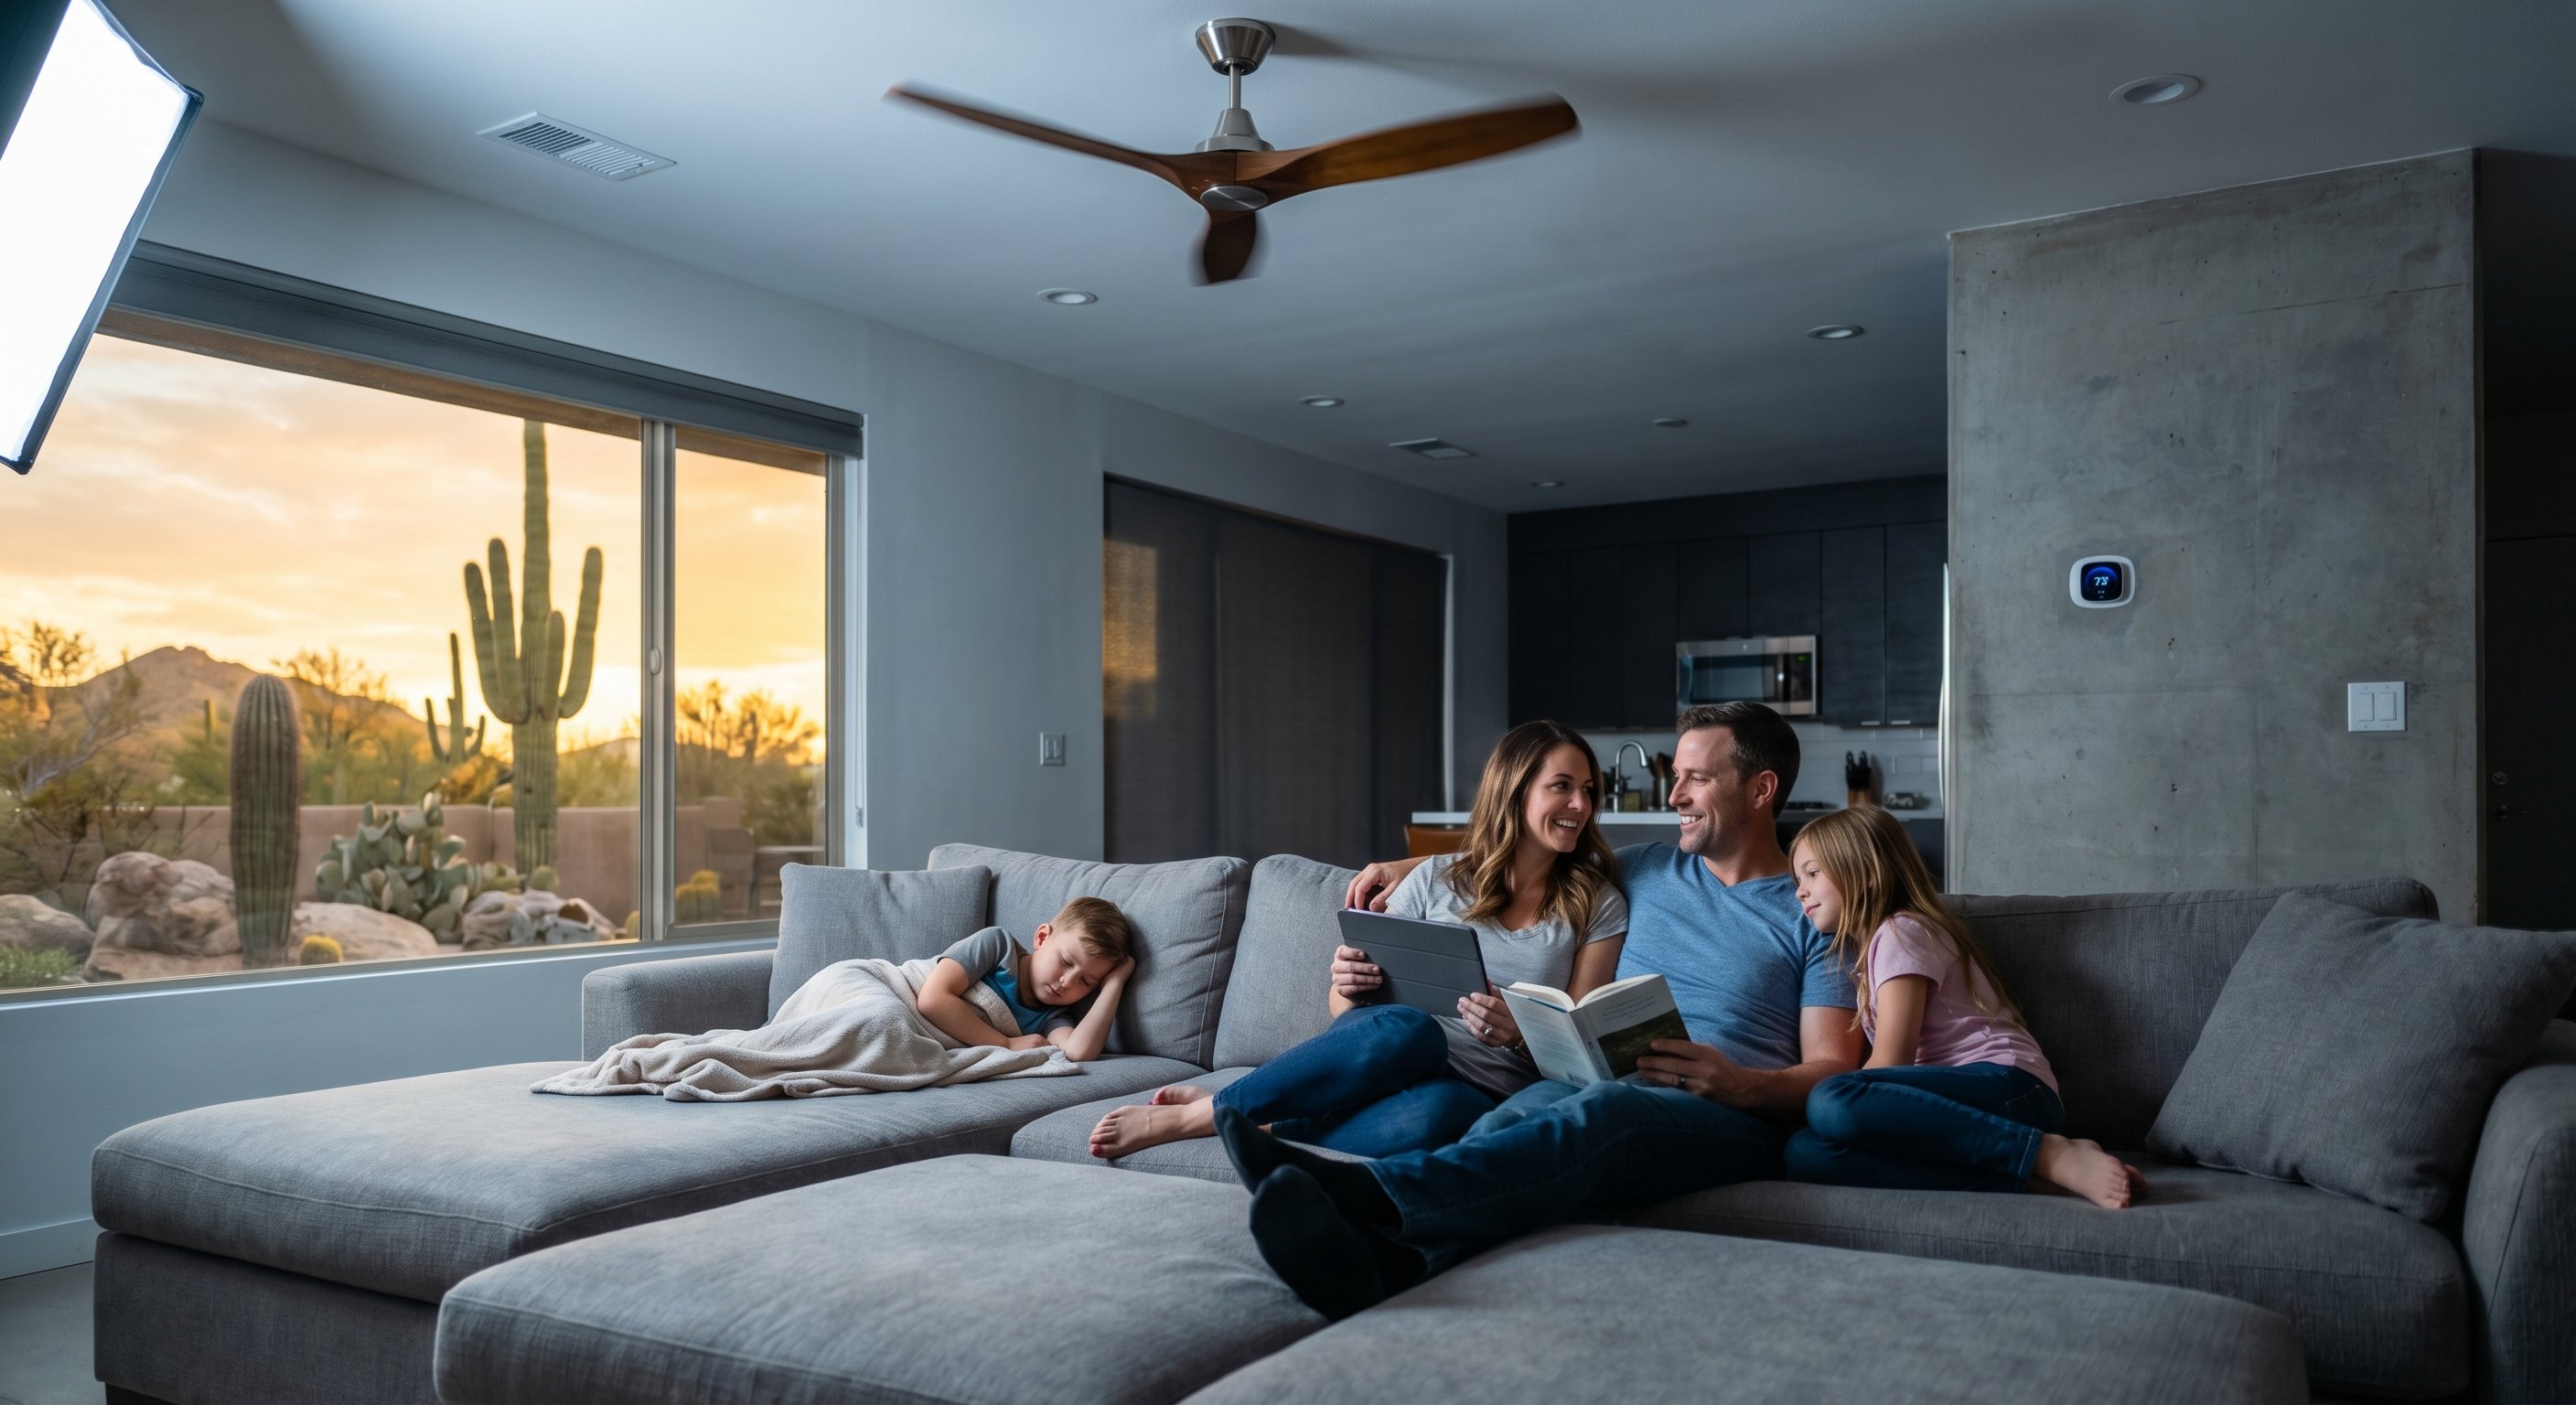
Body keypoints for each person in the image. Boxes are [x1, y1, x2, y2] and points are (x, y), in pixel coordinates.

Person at [1211, 701, 1862, 1321]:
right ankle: (1396, 1262)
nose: (1673, 798)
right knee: (1499, 1132)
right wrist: (1399, 865)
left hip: (1722, 1113)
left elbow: (1835, 1069)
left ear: (1760, 789)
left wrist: (1742, 1083)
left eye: (1694, 779)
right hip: (1591, 1078)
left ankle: (1356, 1193)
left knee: (1608, 1115)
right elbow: (1521, 848)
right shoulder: (1645, 869)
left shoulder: (1815, 909)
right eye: (1676, 778)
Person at [1089, 720, 1628, 1160]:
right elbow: (1347, 1012)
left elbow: (1580, 1045)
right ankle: (1203, 1116)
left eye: (1587, 791)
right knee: (1412, 1029)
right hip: (1399, 1046)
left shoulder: (1597, 903)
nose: (1580, 805)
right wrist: (1347, 983)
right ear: (1514, 789)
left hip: (1485, 1083)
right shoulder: (1433, 879)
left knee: (1443, 1120)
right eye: (1562, 787)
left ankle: (1267, 1128)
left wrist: (1516, 1034)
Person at [1783, 805, 2139, 1207]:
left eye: (1813, 873)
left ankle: (2047, 1153)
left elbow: (1889, 1065)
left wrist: (1831, 1106)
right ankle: (2035, 1177)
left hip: (2012, 1090)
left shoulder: (1901, 931)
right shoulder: (1872, 954)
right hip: (1966, 1111)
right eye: (1798, 879)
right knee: (1805, 1153)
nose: (1800, 890)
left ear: (1864, 872)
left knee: (1831, 1100)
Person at [914, 896, 1136, 1064]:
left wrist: (1114, 984)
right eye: (1066, 961)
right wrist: (1006, 1043)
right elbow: (932, 998)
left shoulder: (1050, 1019)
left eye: (1086, 982)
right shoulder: (998, 947)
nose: (1067, 981)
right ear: (1042, 938)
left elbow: (1078, 1052)